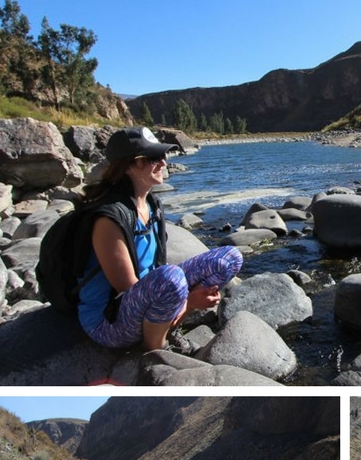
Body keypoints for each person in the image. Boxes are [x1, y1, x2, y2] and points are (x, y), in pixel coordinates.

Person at [77, 126, 243, 350]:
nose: (164, 162)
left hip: (148, 298)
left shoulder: (152, 205)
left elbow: (155, 273)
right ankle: (155, 350)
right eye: (155, 157)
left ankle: (168, 325)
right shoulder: (109, 218)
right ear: (129, 165)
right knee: (170, 278)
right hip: (110, 320)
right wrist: (188, 302)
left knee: (230, 257)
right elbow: (127, 289)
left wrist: (184, 300)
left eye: (163, 155)